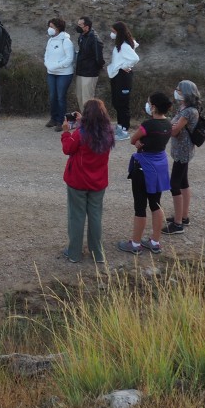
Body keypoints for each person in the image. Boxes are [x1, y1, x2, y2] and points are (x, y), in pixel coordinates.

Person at [117, 91, 172, 256]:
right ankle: (155, 242)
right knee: (156, 204)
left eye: (149, 103)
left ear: (153, 107)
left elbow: (133, 140)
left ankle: (135, 244)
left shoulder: (147, 125)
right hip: (160, 165)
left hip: (143, 167)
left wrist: (140, 143)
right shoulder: (169, 124)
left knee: (140, 206)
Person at [60, 98, 115, 264]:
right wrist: (81, 123)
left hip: (78, 181)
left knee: (76, 217)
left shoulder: (80, 133)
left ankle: (74, 253)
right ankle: (97, 253)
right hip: (98, 182)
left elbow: (67, 149)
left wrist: (65, 132)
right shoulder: (108, 132)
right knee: (95, 216)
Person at [163, 80, 202, 235]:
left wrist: (170, 126)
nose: (176, 92)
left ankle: (178, 224)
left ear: (185, 92)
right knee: (184, 183)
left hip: (182, 152)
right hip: (183, 150)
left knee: (175, 185)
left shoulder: (187, 112)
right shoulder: (186, 108)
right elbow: (174, 127)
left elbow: (174, 130)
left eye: (178, 90)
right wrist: (172, 126)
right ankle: (183, 216)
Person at [107, 21, 140, 141]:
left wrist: (125, 66)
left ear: (119, 32)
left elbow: (135, 58)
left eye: (113, 32)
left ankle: (124, 130)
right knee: (116, 102)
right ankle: (120, 126)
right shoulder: (119, 45)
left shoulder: (125, 46)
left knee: (123, 104)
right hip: (116, 75)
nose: (112, 34)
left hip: (123, 78)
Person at [44, 17, 75, 128]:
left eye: (52, 27)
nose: (49, 29)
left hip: (64, 74)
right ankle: (53, 118)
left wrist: (57, 66)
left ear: (58, 28)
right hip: (51, 73)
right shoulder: (50, 40)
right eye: (49, 26)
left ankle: (61, 121)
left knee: (60, 97)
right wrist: (47, 64)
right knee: (52, 96)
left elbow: (69, 58)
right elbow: (46, 54)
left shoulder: (66, 41)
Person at [74, 16, 104, 111]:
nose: (78, 26)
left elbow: (99, 58)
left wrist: (95, 68)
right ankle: (83, 120)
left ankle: (89, 122)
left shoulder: (94, 38)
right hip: (81, 71)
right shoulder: (82, 36)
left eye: (80, 25)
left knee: (88, 100)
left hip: (90, 73)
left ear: (86, 27)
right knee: (80, 97)